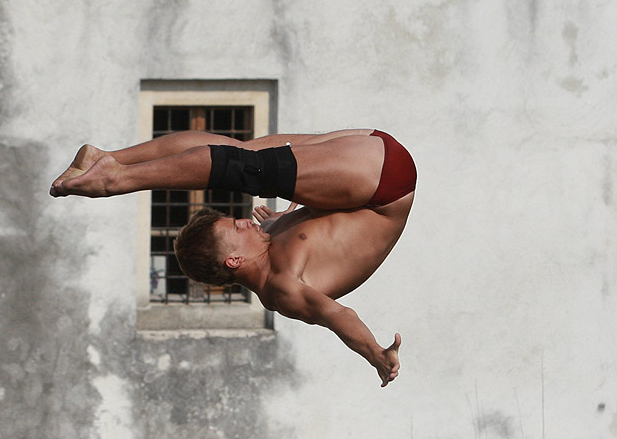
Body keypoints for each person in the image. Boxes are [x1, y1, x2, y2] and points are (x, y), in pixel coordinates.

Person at [49, 128, 415, 386]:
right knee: (245, 167)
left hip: (369, 154)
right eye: (236, 229)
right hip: (385, 183)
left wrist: (284, 220)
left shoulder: (268, 236)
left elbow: (326, 235)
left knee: (241, 151)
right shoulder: (281, 288)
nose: (244, 221)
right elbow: (338, 315)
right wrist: (376, 355)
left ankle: (108, 159)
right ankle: (117, 179)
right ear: (234, 262)